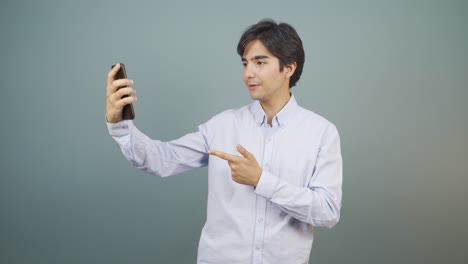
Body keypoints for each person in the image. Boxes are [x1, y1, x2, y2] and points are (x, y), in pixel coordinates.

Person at [106, 19, 342, 264]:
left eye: (260, 62)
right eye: (245, 63)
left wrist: (262, 180)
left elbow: (327, 212)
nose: (248, 73)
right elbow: (160, 160)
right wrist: (120, 125)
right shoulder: (223, 126)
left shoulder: (321, 133)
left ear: (289, 68)